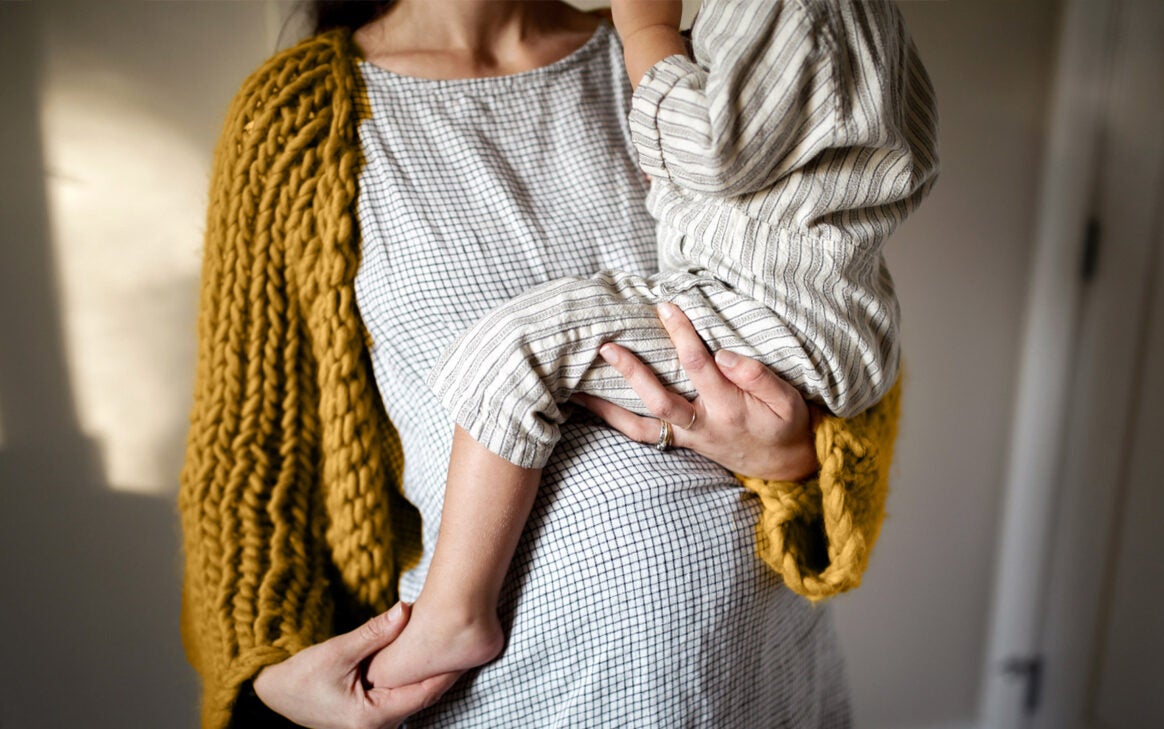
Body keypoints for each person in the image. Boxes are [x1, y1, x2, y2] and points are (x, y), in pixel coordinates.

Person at [177, 1, 907, 727]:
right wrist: (268, 673)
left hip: (762, 678)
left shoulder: (672, 68)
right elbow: (251, 451)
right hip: (517, 693)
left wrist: (797, 452)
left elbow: (820, 305)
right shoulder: (299, 120)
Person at [365, 0, 937, 690]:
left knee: (514, 351)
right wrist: (271, 682)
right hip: (817, 315)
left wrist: (646, 33)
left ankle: (454, 615)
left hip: (766, 329)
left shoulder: (735, 26)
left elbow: (711, 149)